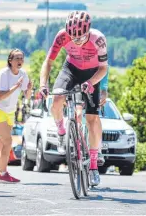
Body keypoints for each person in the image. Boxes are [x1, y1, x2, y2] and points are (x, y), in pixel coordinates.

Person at [39, 11, 108, 186]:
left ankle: (93, 166)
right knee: (56, 100)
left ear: (88, 31)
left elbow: (103, 69)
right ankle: (62, 131)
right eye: (73, 37)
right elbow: (48, 62)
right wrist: (43, 85)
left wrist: (91, 83)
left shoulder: (98, 39)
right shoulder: (62, 36)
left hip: (93, 73)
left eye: (80, 37)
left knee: (92, 118)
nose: (76, 40)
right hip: (71, 69)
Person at [0, 49, 32, 183]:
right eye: (17, 58)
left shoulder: (23, 74)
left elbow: (27, 97)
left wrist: (29, 89)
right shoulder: (3, 74)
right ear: (10, 61)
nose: (20, 61)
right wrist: (15, 86)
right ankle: (3, 173)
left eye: (21, 58)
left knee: (2, 141)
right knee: (8, 141)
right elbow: (0, 96)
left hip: (10, 111)